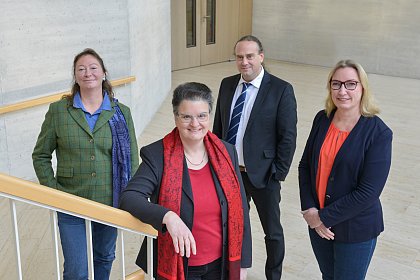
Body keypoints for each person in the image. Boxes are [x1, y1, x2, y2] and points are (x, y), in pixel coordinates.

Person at [119, 82, 252, 280]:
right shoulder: (157, 155)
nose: (195, 124)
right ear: (176, 117)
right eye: (186, 116)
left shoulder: (226, 152)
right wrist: (168, 216)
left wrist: (244, 262)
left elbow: (241, 208)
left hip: (221, 263)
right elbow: (129, 198)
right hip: (180, 264)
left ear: (209, 116)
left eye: (202, 116)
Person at [32, 48, 139, 280]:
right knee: (77, 269)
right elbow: (40, 155)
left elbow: (131, 159)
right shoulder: (59, 111)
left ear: (103, 73)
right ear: (75, 76)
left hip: (110, 201)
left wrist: (132, 196)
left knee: (103, 258)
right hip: (70, 201)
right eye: (81, 69)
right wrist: (53, 192)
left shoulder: (122, 113)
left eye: (93, 68)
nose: (87, 73)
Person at [298, 60, 392, 280]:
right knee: (328, 276)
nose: (342, 91)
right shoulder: (322, 119)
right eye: (336, 84)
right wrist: (309, 209)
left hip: (354, 228)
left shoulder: (378, 133)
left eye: (351, 84)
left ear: (362, 88)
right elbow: (305, 166)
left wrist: (322, 217)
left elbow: (368, 192)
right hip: (318, 224)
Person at [213, 35, 297, 279]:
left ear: (261, 56)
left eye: (250, 56)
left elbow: (288, 136)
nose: (244, 62)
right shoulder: (227, 84)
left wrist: (278, 173)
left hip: (263, 174)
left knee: (272, 232)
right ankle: (234, 272)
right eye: (239, 57)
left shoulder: (281, 90)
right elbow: (219, 127)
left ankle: (274, 276)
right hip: (230, 172)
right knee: (233, 227)